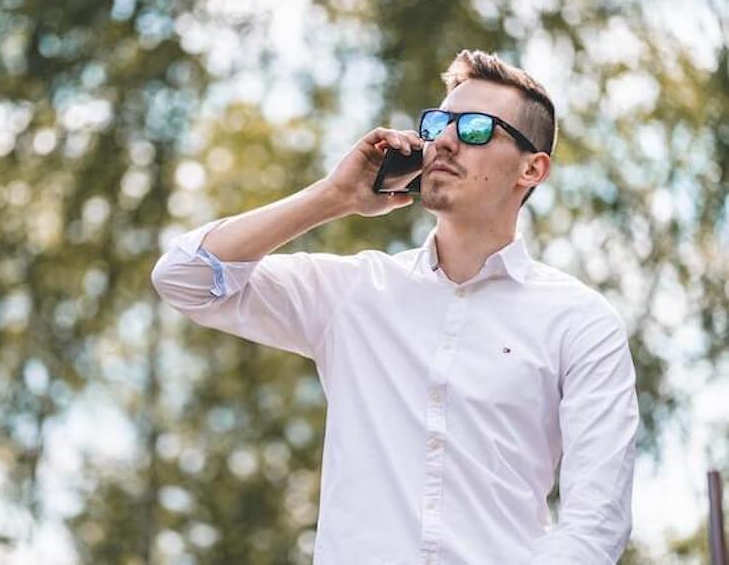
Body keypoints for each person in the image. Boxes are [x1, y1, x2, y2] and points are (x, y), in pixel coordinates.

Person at [150, 49, 639, 564]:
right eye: (437, 124)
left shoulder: (580, 321)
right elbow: (185, 278)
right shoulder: (354, 291)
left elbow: (595, 524)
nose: (445, 141)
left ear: (532, 168)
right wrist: (334, 196)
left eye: (475, 128)